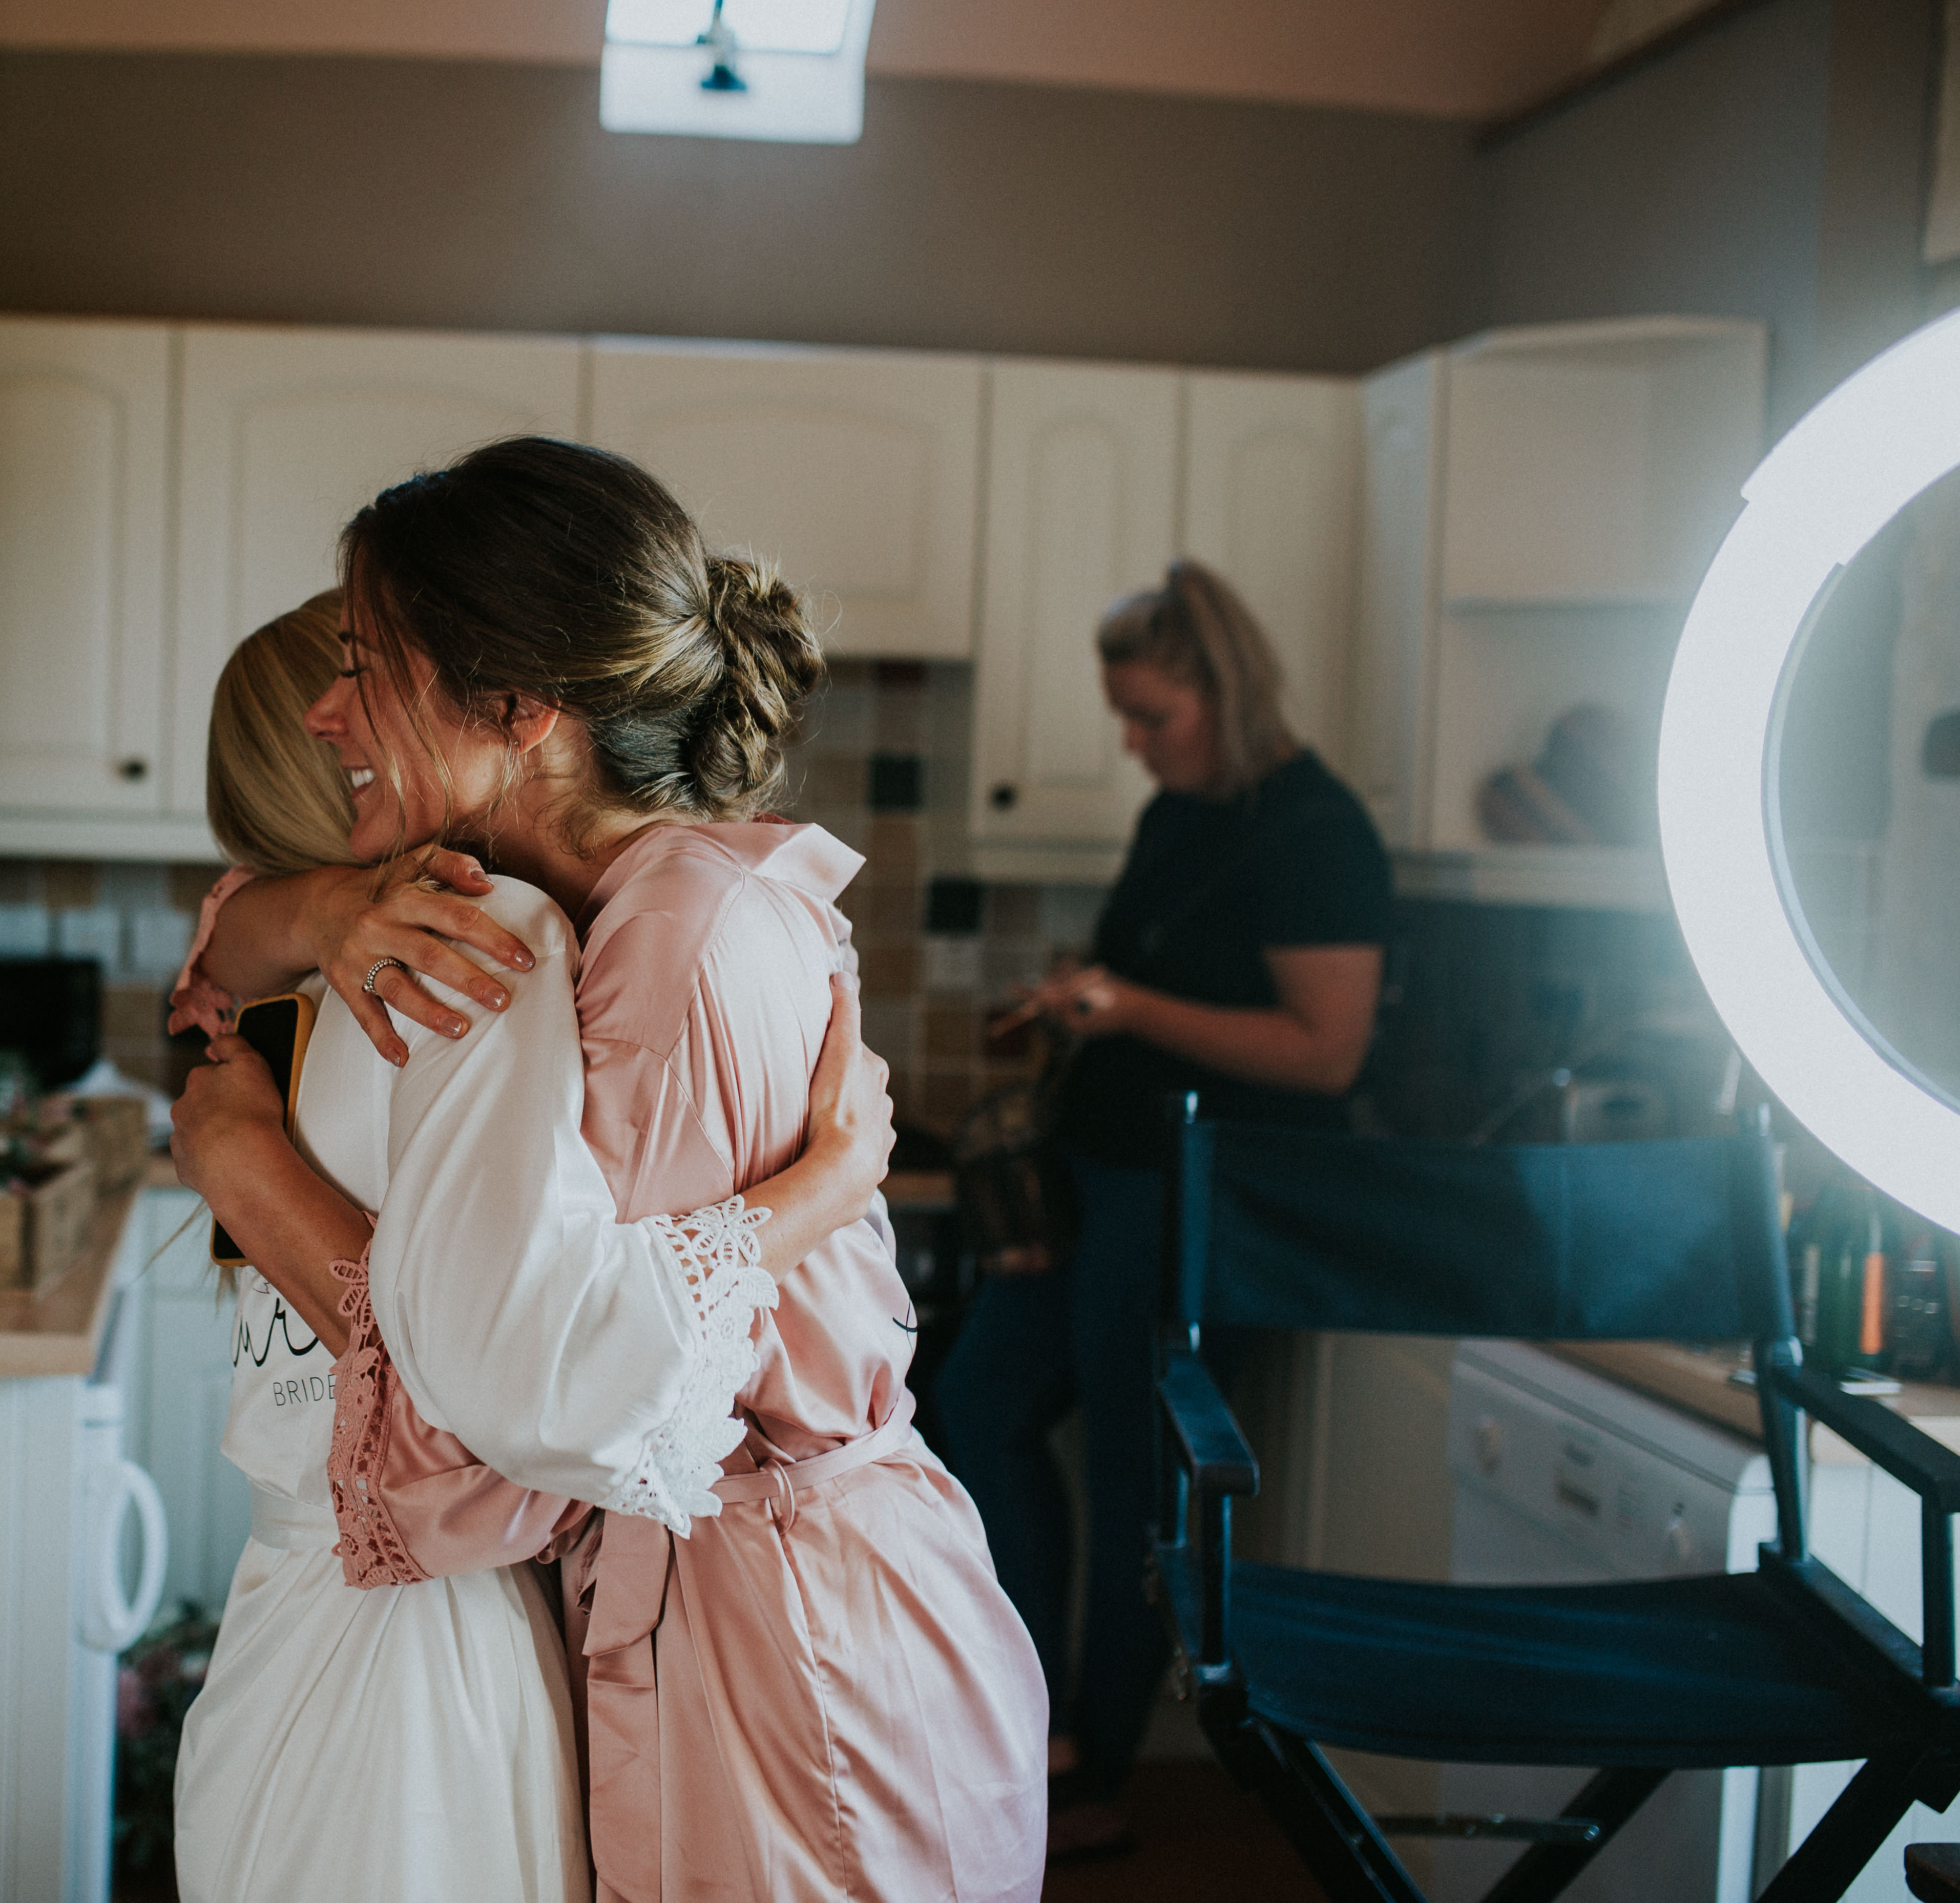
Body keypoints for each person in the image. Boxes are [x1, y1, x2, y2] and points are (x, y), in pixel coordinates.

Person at [175, 438, 1049, 1903]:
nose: (331, 714)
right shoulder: (571, 910)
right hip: (711, 1611)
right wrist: (308, 917)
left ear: (516, 707)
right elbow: (214, 966)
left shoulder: (646, 939)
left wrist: (247, 1163)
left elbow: (510, 1416)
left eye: (366, 664)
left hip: (796, 1651)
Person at [934, 558, 1393, 1858]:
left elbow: (1324, 1049)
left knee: (1145, 1484)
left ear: (1221, 689)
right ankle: (1024, 1720)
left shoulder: (1317, 833)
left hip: (1193, 1205)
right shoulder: (1181, 814)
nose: (1131, 745)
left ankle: (1084, 1768)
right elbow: (1148, 975)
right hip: (1095, 1176)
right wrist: (1081, 998)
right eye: (1123, 718)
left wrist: (1125, 1009)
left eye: (1150, 718)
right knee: (974, 1405)